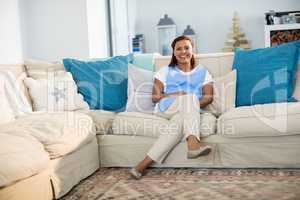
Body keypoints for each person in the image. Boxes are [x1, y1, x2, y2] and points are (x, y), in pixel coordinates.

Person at [130, 35, 214, 179]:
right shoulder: (165, 71)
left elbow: (208, 97)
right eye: (178, 49)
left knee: (178, 124)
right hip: (166, 108)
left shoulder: (203, 72)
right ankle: (193, 145)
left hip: (189, 110)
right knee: (190, 97)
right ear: (174, 53)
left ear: (193, 50)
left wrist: (190, 106)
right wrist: (176, 94)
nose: (183, 52)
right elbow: (155, 97)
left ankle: (141, 166)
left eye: (186, 48)